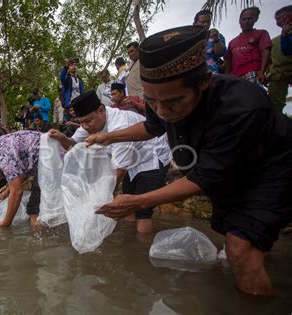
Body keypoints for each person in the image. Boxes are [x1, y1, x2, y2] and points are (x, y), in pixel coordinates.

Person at [86, 25, 292, 296]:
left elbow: (203, 177)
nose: (161, 110)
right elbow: (152, 127)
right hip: (226, 175)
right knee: (244, 242)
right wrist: (108, 138)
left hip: (271, 171)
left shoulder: (241, 107)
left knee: (239, 251)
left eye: (172, 102)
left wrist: (140, 201)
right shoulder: (161, 95)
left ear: (204, 81)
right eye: (152, 101)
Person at [48, 91, 171, 233]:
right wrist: (62, 137)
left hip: (153, 156)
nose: (85, 126)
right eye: (81, 122)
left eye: (88, 121)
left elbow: (118, 173)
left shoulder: (119, 125)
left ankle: (142, 249)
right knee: (127, 207)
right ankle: (129, 240)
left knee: (142, 211)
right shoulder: (89, 124)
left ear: (101, 110)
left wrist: (95, 204)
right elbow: (73, 144)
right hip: (132, 162)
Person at [0, 130, 48, 227]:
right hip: (54, 156)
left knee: (34, 211)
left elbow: (17, 192)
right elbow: (23, 174)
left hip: (52, 160)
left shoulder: (2, 154)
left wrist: (5, 224)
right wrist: (2, 190)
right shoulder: (2, 142)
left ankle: (41, 240)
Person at [224, 7, 272, 86]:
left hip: (253, 73)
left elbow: (265, 52)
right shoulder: (232, 42)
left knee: (253, 97)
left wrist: (262, 72)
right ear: (239, 21)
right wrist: (226, 78)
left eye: (250, 19)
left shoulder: (261, 33)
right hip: (236, 77)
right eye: (244, 19)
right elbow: (228, 62)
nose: (246, 21)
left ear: (255, 19)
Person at [268, 5, 292, 111]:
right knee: (275, 105)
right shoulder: (274, 41)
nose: (280, 21)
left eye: (283, 17)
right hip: (277, 76)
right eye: (277, 19)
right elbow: (270, 60)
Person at [193, 9, 226, 74]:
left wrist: (216, 39)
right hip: (194, 75)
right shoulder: (191, 38)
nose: (206, 24)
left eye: (208, 22)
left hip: (213, 74)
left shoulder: (218, 36)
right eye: (203, 22)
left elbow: (220, 53)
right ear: (195, 24)